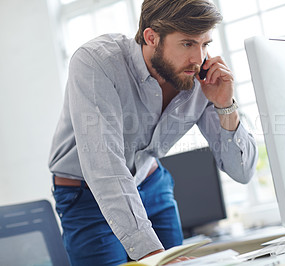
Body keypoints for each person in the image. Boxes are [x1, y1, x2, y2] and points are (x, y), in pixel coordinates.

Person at [48, 0, 258, 265]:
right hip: (86, 193)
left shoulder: (200, 78)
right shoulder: (96, 63)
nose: (199, 58)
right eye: (187, 44)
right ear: (151, 37)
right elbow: (105, 169)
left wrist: (225, 105)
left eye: (205, 44)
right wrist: (153, 254)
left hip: (150, 181)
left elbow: (242, 171)